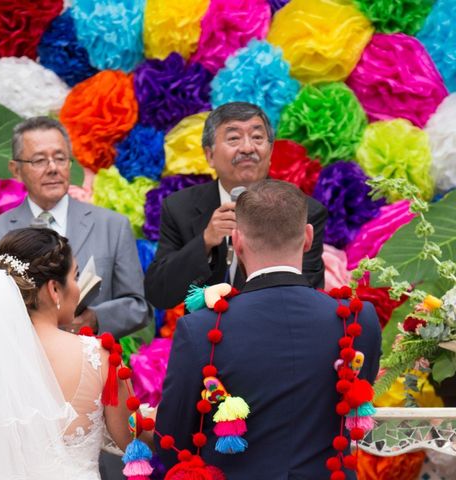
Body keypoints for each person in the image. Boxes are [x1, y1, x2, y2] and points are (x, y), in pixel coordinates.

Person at [155, 180, 381, 479]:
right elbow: (354, 396)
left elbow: (172, 439)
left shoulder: (200, 328)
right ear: (309, 237)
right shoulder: (356, 319)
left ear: (236, 241)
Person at [0, 227, 133, 479]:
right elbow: (128, 439)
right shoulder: (99, 356)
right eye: (75, 277)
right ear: (55, 289)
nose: (78, 288)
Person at [0, 116, 151, 337]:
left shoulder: (112, 226)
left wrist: (94, 319)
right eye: (38, 160)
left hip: (90, 362)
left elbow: (138, 307)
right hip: (24, 365)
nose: (53, 168)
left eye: (60, 158)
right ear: (15, 170)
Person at [145, 102, 327, 309]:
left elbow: (308, 290)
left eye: (257, 137)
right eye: (234, 138)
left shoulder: (303, 210)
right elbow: (158, 294)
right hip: (208, 336)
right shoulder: (180, 208)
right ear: (209, 155)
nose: (248, 148)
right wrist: (204, 242)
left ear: (270, 151)